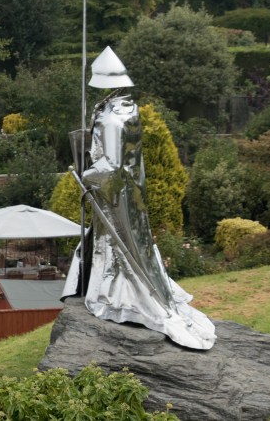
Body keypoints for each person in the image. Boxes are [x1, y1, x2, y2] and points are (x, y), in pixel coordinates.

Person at [63, 47, 216, 350]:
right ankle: (98, 286)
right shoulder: (128, 109)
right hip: (130, 193)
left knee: (121, 246)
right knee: (132, 243)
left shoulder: (111, 119)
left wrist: (85, 176)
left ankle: (119, 297)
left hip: (114, 196)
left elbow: (111, 165)